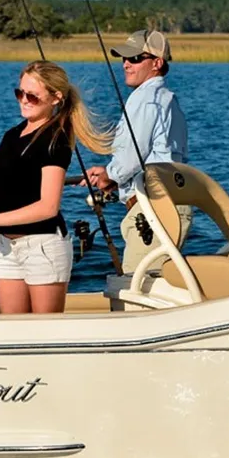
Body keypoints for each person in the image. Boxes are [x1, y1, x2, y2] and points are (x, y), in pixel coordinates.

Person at [0, 61, 111, 314]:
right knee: (13, 332)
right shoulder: (12, 135)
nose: (24, 100)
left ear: (55, 98)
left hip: (43, 247)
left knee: (44, 335)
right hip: (7, 248)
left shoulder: (56, 141)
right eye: (20, 93)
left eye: (32, 95)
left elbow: (48, 207)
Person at [83, 29, 191, 274]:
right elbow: (151, 155)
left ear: (157, 63)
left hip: (154, 211)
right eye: (124, 59)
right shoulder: (167, 98)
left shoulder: (145, 98)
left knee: (138, 286)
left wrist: (109, 176)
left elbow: (133, 155)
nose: (126, 64)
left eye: (135, 58)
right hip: (167, 206)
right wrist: (111, 175)